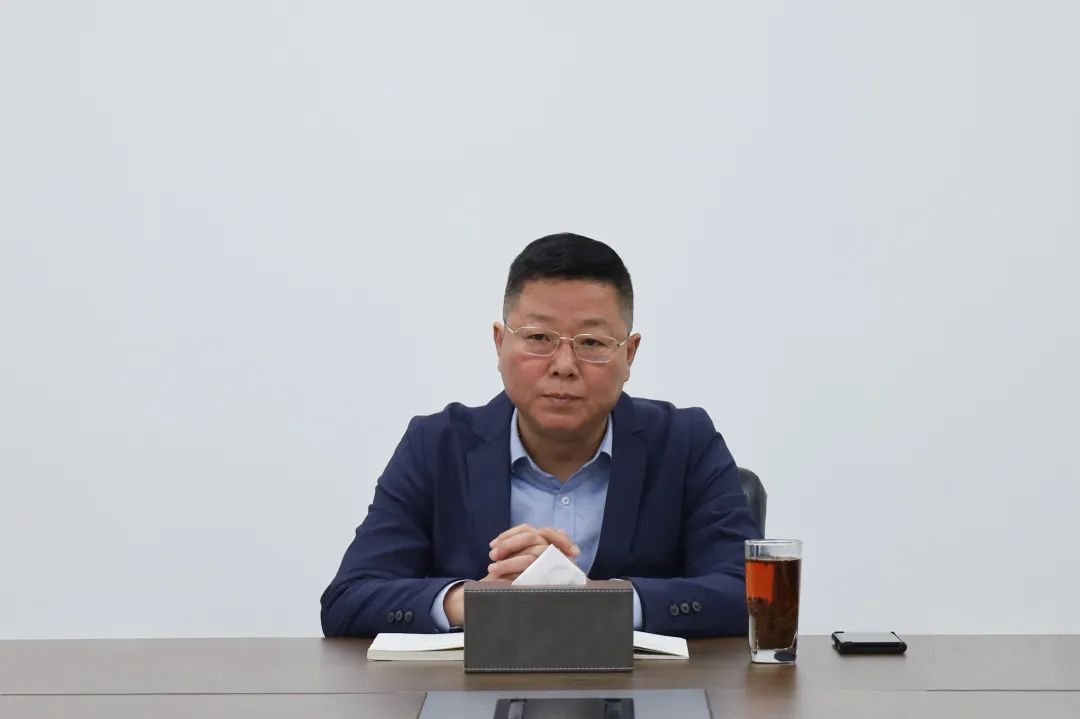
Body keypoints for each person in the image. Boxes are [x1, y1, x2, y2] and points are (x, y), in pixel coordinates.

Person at [321, 233, 760, 638]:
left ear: (629, 354)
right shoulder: (436, 445)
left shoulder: (685, 444)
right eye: (539, 337)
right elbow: (348, 600)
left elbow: (748, 594)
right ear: (500, 344)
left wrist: (598, 601)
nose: (564, 365)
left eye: (591, 343)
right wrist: (476, 601)